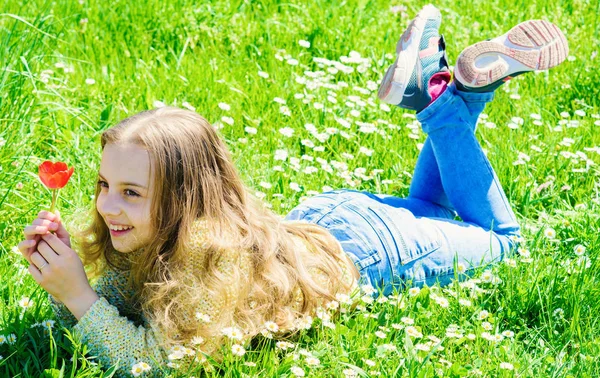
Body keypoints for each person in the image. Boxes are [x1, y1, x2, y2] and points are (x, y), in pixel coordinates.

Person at [17, 4, 568, 377]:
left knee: (503, 241)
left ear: (186, 203)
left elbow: (154, 363)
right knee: (434, 206)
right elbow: (120, 305)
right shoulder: (176, 235)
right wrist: (66, 280)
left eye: (131, 193)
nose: (108, 204)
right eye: (104, 184)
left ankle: (449, 103)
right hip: (329, 225)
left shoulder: (214, 267)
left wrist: (76, 296)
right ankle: (447, 96)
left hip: (378, 251)